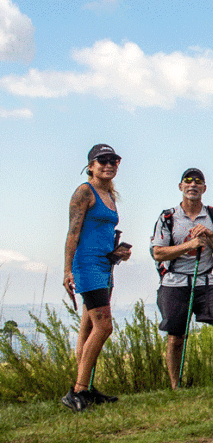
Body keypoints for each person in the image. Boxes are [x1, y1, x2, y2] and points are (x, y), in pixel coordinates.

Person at [151, 168, 213, 389]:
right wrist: (190, 245)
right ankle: (176, 387)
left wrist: (210, 235)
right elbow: (158, 253)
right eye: (188, 181)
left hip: (205, 281)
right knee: (176, 338)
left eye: (198, 182)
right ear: (180, 187)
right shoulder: (168, 217)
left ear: (204, 188)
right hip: (174, 283)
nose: (192, 185)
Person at [61, 144, 132, 412]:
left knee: (88, 328)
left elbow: (99, 232)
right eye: (102, 160)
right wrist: (67, 270)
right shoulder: (84, 191)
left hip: (104, 263)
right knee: (104, 327)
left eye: (114, 160)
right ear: (90, 165)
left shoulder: (109, 195)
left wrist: (117, 253)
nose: (109, 164)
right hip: (87, 264)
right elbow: (73, 233)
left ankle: (87, 388)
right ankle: (77, 392)